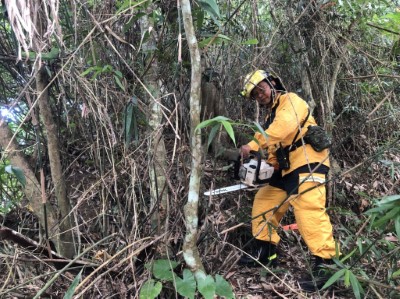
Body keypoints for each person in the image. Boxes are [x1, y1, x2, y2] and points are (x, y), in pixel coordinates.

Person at [238, 70, 339, 292]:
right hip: (286, 168)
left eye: (261, 89)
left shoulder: (291, 101)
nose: (259, 95)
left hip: (306, 160)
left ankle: (327, 265)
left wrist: (252, 146)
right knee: (263, 203)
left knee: (308, 210)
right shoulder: (269, 117)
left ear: (272, 82)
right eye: (255, 94)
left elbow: (283, 128)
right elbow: (275, 145)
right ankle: (265, 252)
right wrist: (266, 168)